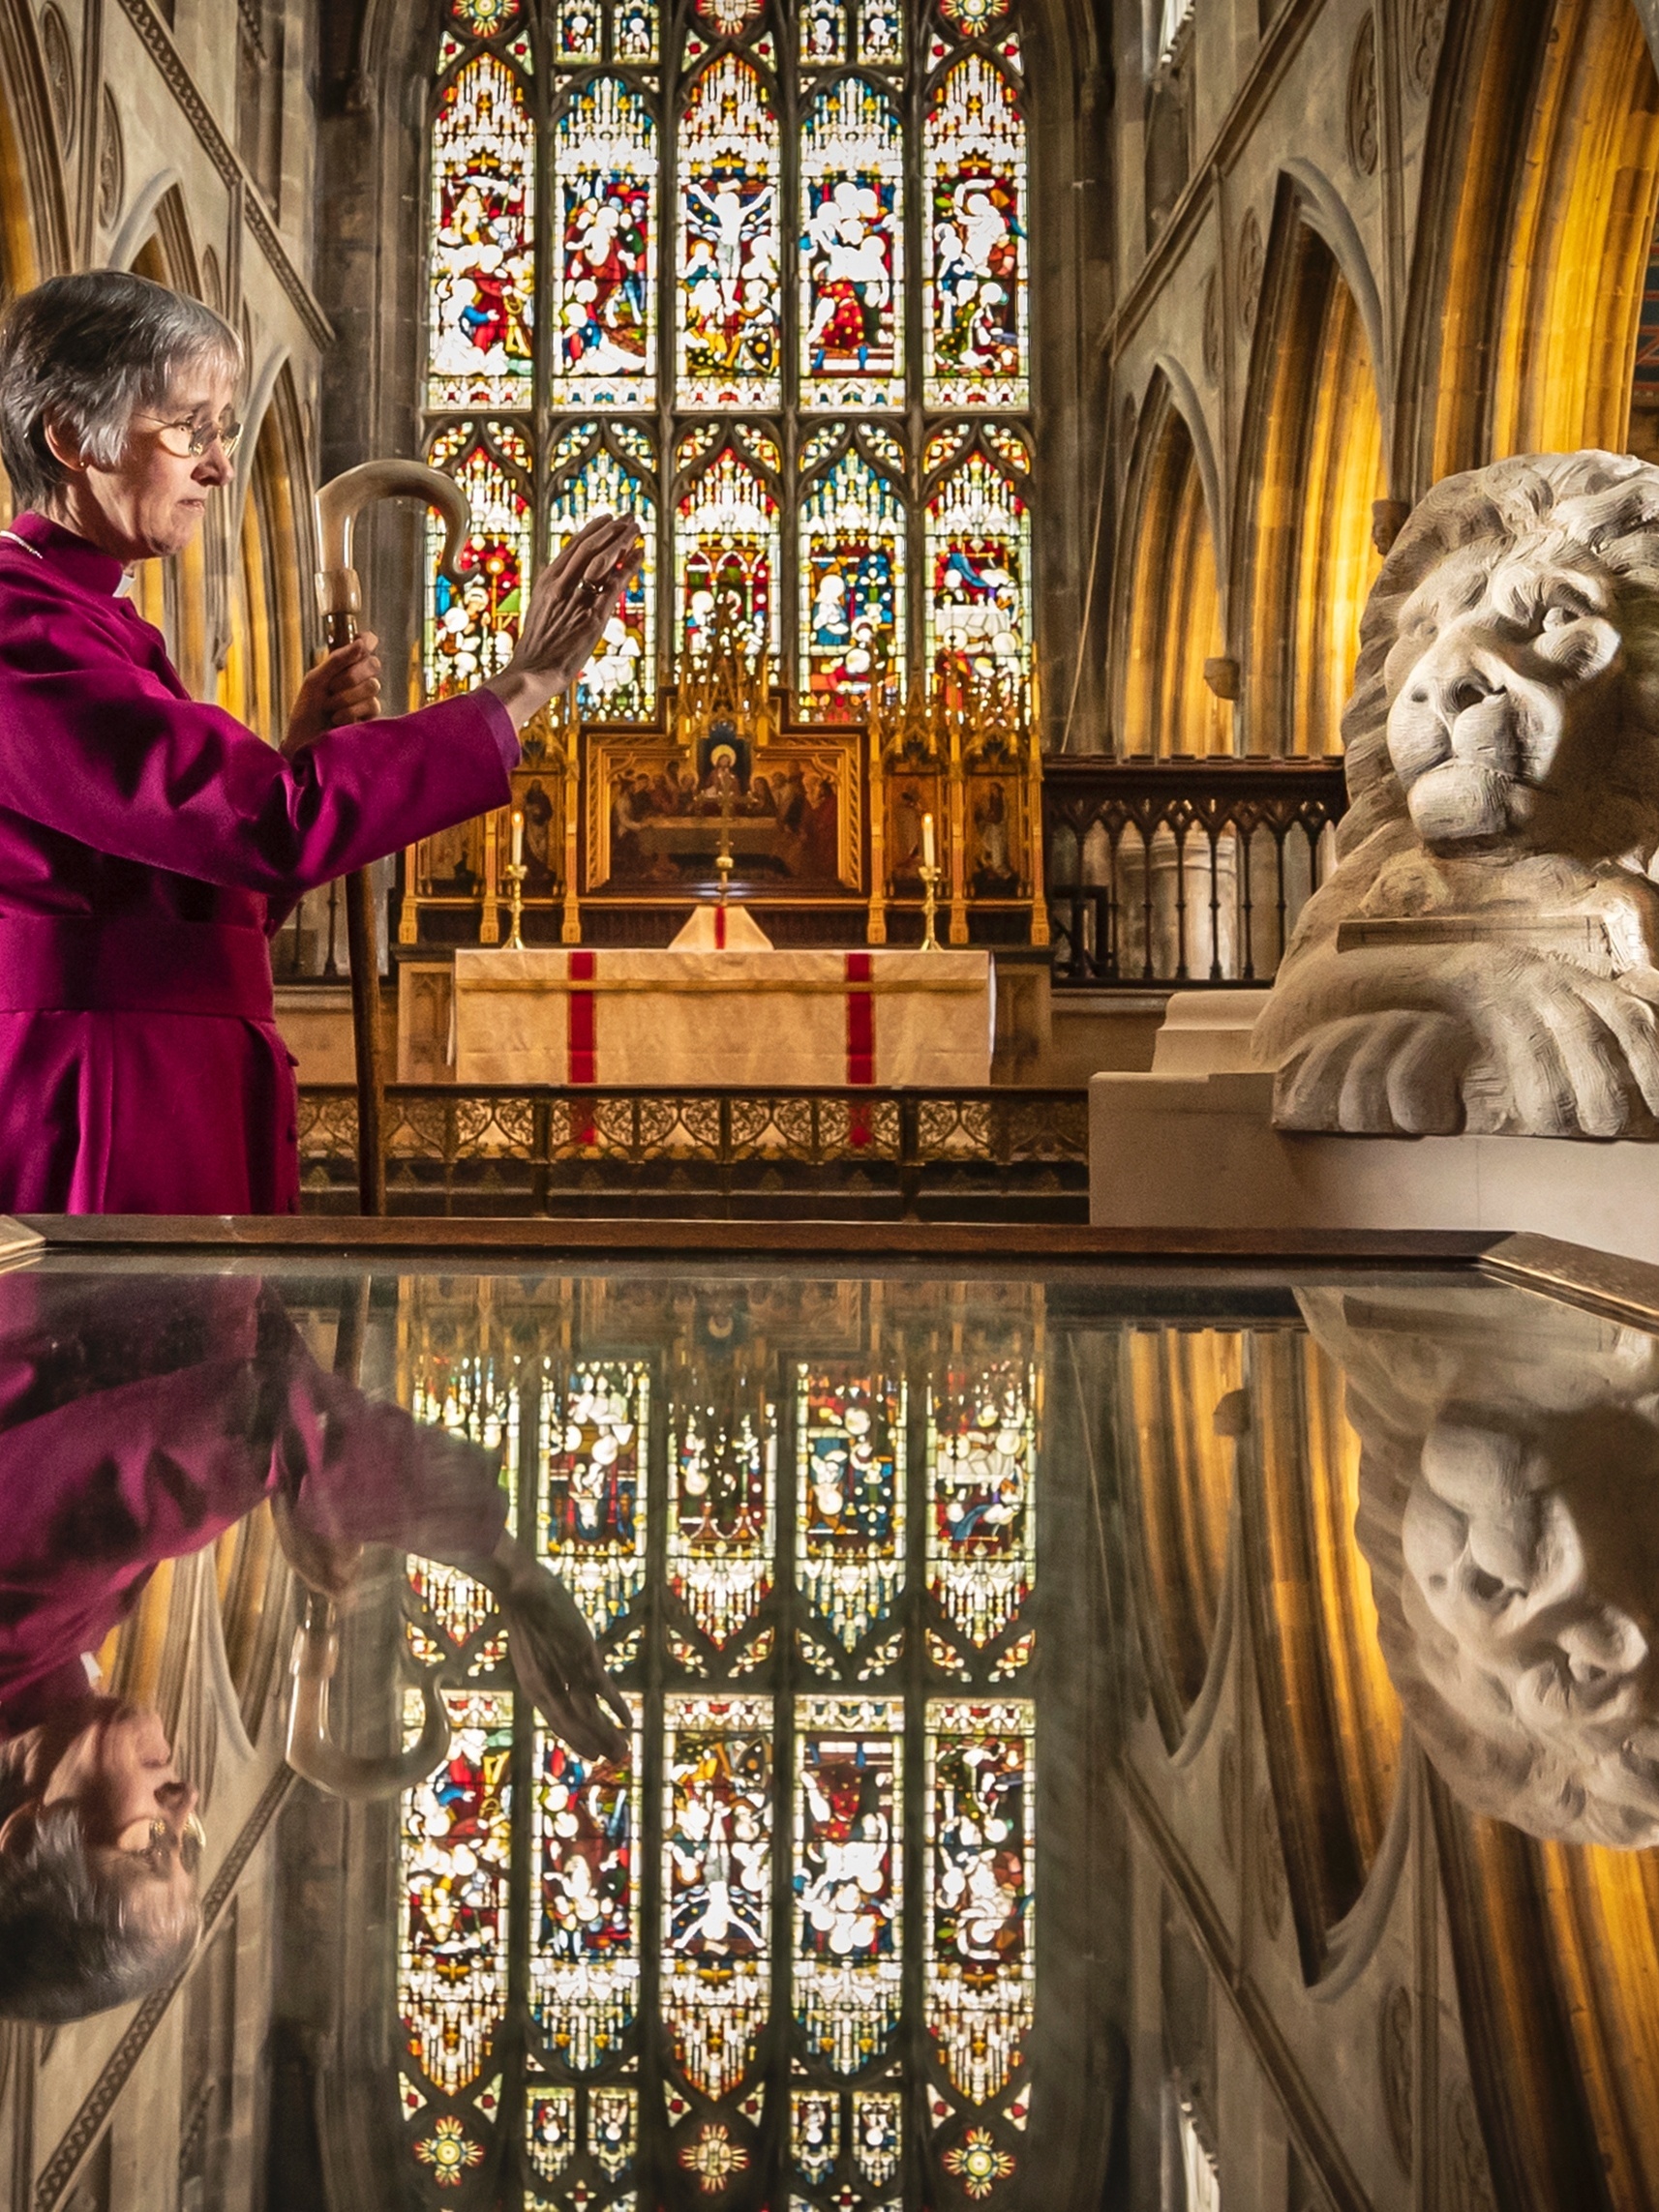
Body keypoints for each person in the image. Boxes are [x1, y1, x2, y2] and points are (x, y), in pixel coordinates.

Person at [0, 269, 642, 1214]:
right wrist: (523, 684)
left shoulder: (94, 621)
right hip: (104, 1094)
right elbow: (266, 826)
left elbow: (216, 891)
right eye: (191, 429)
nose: (218, 467)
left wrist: (295, 751)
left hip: (164, 1075)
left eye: (223, 432)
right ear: (68, 435)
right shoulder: (22, 626)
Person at [0, 1270, 627, 2019]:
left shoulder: (25, 1607)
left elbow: (253, 1413)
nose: (185, 1801)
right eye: (188, 1842)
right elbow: (197, 1337)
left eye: (149, 1846)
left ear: (29, 1832)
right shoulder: (51, 1649)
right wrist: (301, 1499)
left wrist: (514, 1569)